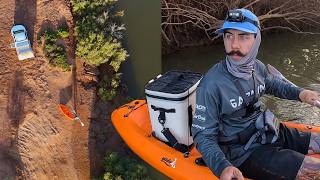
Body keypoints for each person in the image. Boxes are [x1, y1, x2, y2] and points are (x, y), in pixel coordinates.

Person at [191, 8, 320, 180]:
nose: (234, 45)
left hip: (266, 129)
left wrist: (301, 93)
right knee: (315, 171)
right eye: (229, 36)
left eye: (243, 36)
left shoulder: (257, 67)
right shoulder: (212, 84)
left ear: (257, 39)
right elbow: (203, 135)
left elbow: (273, 85)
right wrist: (222, 167)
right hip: (242, 152)